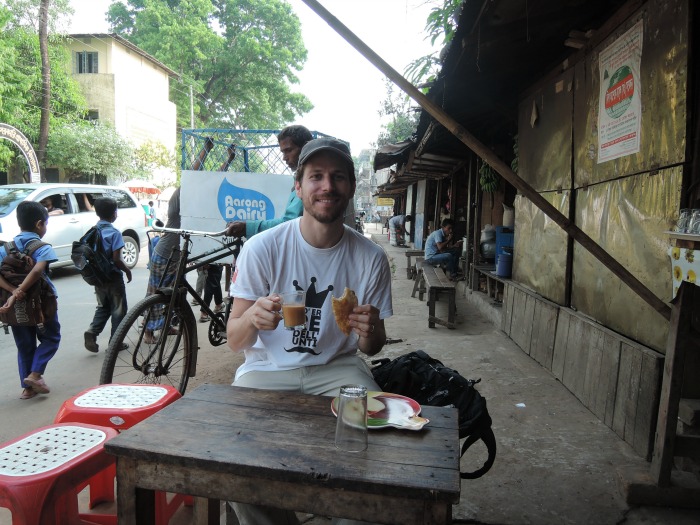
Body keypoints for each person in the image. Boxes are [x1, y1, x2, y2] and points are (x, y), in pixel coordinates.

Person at [227, 137, 392, 525]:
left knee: (374, 445)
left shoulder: (370, 257)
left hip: (340, 372)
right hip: (266, 371)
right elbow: (235, 339)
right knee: (235, 460)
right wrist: (252, 319)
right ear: (298, 187)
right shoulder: (261, 248)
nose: (327, 186)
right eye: (316, 176)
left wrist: (368, 330)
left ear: (350, 187)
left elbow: (372, 347)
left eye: (337, 177)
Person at [0, 201, 60, 400]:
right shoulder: (42, 247)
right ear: (39, 224)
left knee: (25, 344)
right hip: (41, 303)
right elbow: (37, 270)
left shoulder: (6, 248)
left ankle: (27, 389)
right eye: (46, 224)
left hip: (15, 305)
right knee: (51, 338)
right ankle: (35, 375)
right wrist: (21, 291)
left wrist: (13, 291)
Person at [225, 125, 312, 239]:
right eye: (283, 152)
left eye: (289, 150)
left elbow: (290, 223)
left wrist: (248, 227)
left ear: (306, 147)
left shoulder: (309, 181)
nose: (284, 158)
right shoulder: (299, 177)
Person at [84, 197, 133, 353]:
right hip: (113, 277)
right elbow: (116, 259)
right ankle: (115, 343)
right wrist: (127, 270)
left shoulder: (92, 231)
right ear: (114, 214)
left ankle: (92, 332)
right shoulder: (114, 233)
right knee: (119, 310)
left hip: (98, 278)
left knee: (103, 307)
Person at [144, 187, 181, 344]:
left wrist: (227, 162)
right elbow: (195, 177)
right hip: (164, 255)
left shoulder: (195, 207)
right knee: (155, 295)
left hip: (178, 257)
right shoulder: (176, 206)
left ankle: (168, 326)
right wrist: (202, 160)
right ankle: (148, 332)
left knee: (173, 295)